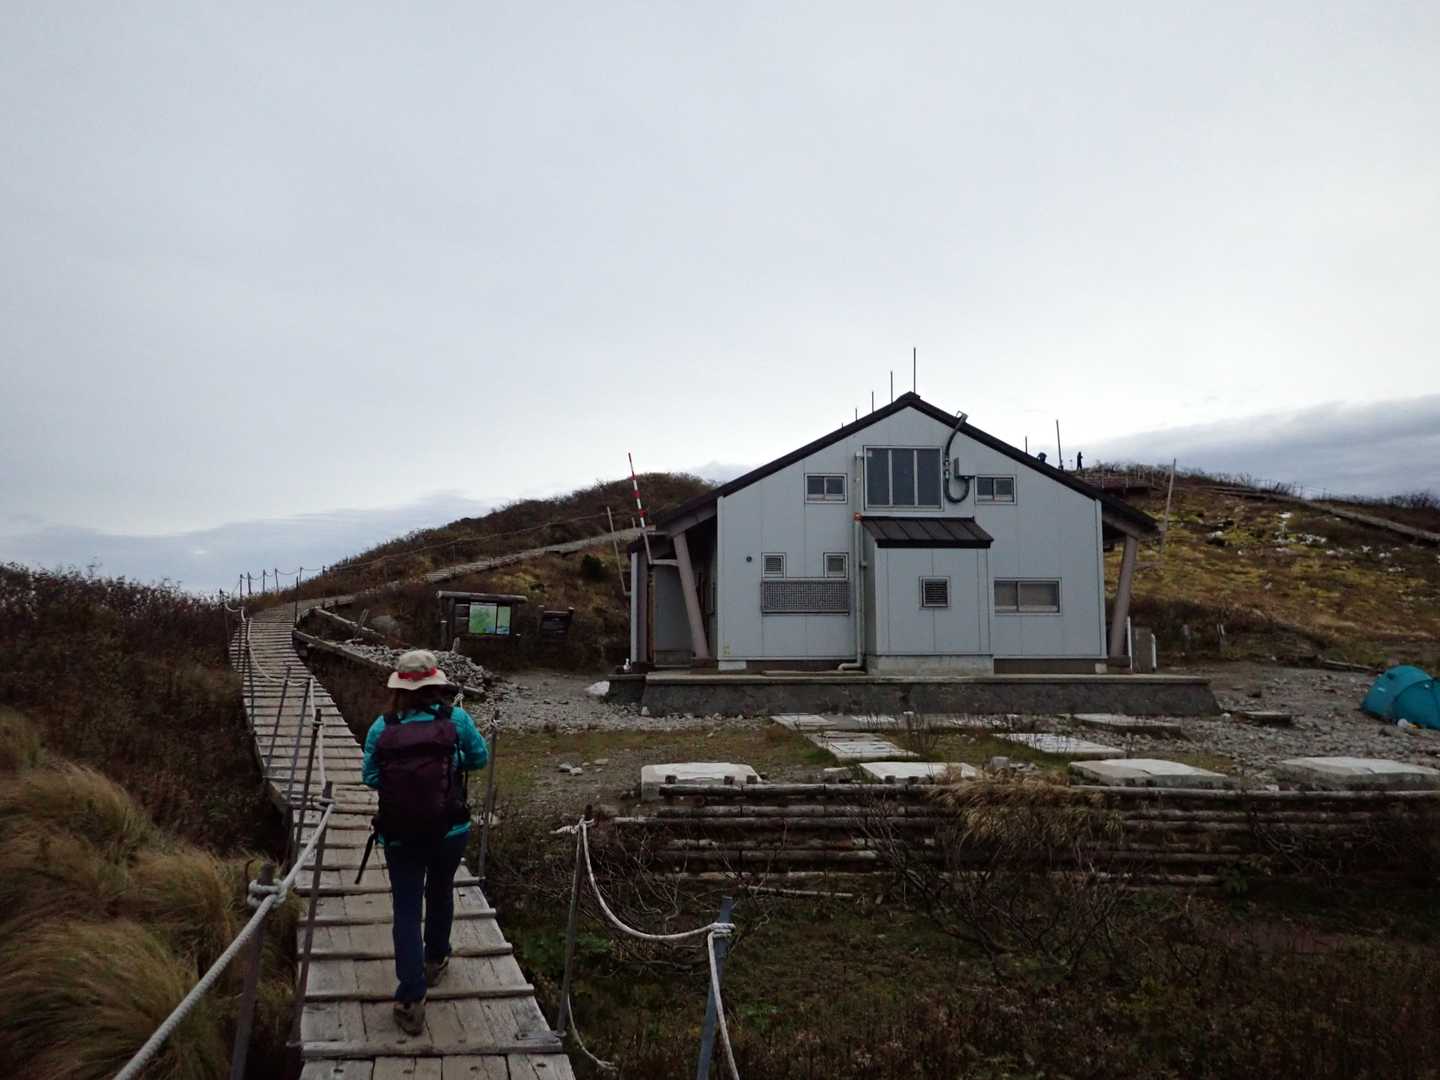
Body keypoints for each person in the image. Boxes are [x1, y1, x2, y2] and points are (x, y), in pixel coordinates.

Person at [361, 649, 489, 1035]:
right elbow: (479, 758)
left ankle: (411, 999)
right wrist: (449, 764)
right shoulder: (456, 719)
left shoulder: (382, 727)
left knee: (405, 908)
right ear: (436, 682)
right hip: (449, 830)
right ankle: (436, 959)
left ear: (399, 687)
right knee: (441, 889)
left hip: (399, 832)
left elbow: (370, 777)